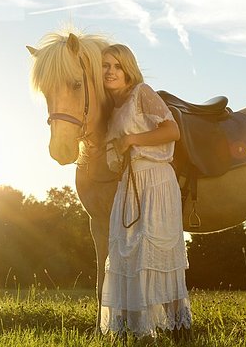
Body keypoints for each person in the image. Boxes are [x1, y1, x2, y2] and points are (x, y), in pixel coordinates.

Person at [99, 44, 192, 340]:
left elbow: (171, 130)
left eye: (117, 66)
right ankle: (135, 330)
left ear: (128, 69)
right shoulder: (111, 109)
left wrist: (131, 139)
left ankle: (180, 329)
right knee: (127, 254)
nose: (111, 71)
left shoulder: (142, 93)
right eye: (105, 66)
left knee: (156, 253)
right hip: (128, 184)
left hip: (155, 180)